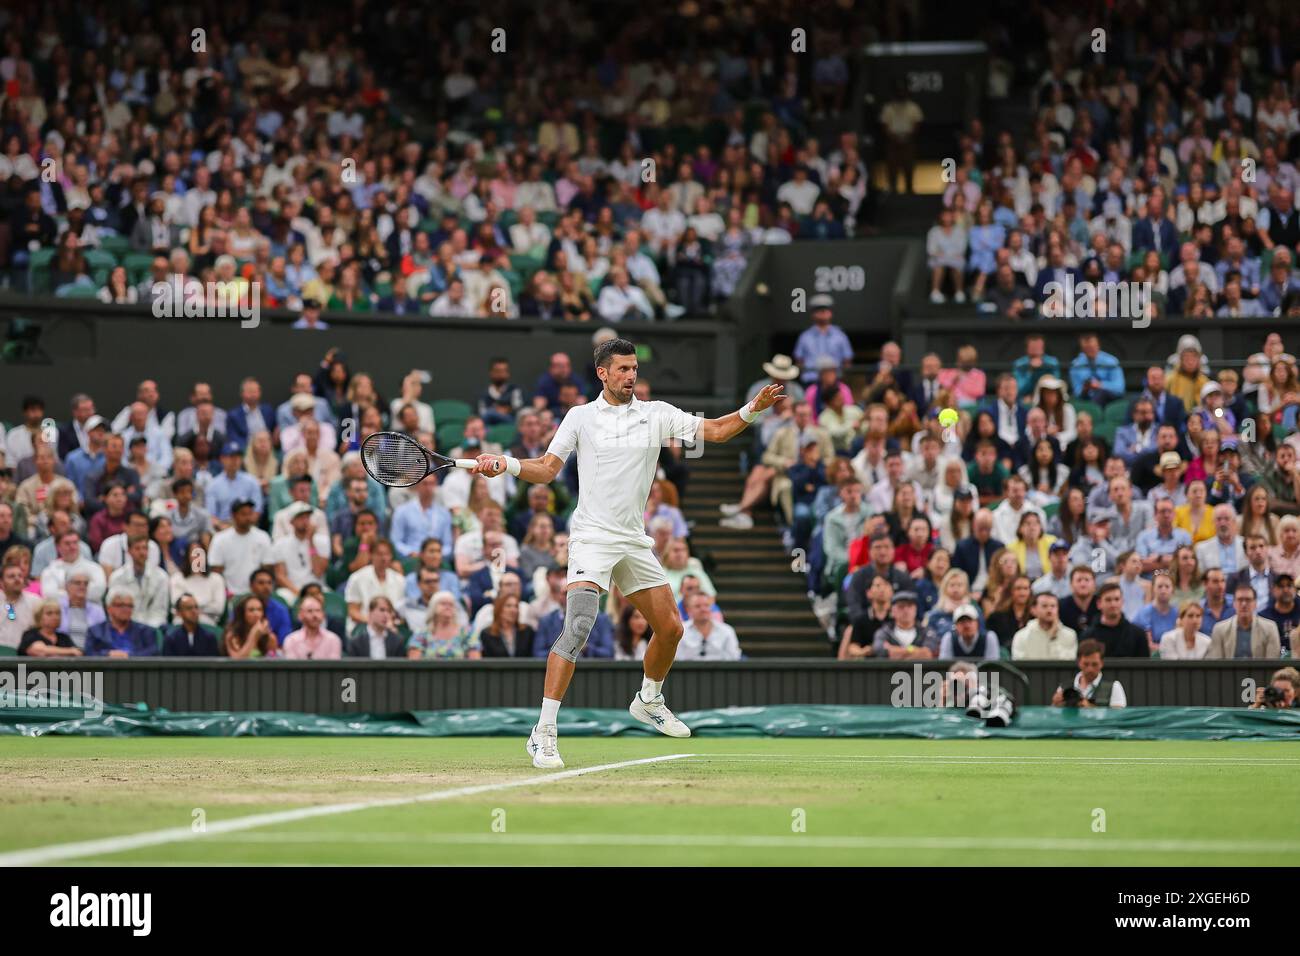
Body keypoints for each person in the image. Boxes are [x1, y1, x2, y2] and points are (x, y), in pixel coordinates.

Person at [469, 337, 784, 768]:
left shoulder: (656, 414)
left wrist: (753, 409)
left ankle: (648, 699)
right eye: (622, 369)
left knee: (672, 629)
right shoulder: (580, 417)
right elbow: (546, 469)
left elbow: (717, 430)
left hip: (633, 540)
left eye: (634, 368)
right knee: (579, 625)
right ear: (602, 373)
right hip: (592, 539)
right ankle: (543, 731)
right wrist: (507, 462)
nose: (631, 375)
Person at [1207, 584, 1281, 659]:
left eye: (1248, 600)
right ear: (1234, 604)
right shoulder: (1219, 629)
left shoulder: (1270, 628)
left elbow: (1272, 664)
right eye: (1240, 600)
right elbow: (1216, 664)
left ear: (1255, 604)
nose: (1244, 604)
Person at [1051, 640, 1127, 708]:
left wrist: (1091, 709)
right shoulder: (1064, 687)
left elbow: (1118, 717)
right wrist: (1055, 705)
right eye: (1086, 664)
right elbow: (1055, 716)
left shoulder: (1114, 687)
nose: (1090, 669)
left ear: (1102, 663)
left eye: (1094, 664)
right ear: (1079, 662)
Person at [1082, 580, 1149, 657]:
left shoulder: (1138, 635)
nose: (1113, 604)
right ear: (1099, 604)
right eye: (1108, 600)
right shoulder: (1087, 636)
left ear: (1122, 602)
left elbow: (1144, 667)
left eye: (1116, 599)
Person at [84, 588, 159, 657]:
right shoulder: (95, 631)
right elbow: (89, 653)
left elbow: (153, 651)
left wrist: (129, 655)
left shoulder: (145, 631)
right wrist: (108, 654)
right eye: (120, 605)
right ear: (109, 608)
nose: (125, 609)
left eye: (129, 606)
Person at [408, 591, 480, 659]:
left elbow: (475, 662)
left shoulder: (467, 632)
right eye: (443, 603)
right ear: (433, 607)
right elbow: (413, 662)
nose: (447, 607)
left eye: (451, 605)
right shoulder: (421, 633)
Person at [676, 590, 742, 660]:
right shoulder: (680, 631)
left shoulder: (727, 631)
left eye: (706, 605)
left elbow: (734, 658)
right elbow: (677, 659)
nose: (703, 609)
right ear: (688, 610)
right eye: (697, 606)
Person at [1011, 592, 1078, 660]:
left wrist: (1053, 638)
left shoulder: (1070, 635)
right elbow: (1019, 663)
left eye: (1053, 606)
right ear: (1033, 610)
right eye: (1044, 606)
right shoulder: (1021, 636)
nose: (1049, 610)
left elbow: (1068, 664)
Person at [281, 595, 344, 660]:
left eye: (318, 610)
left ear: (323, 615)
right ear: (300, 615)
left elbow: (334, 668)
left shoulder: (333, 640)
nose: (315, 615)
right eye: (309, 611)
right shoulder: (291, 641)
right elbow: (291, 668)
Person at [222, 594, 280, 659]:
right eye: (251, 610)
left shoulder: (270, 638)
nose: (256, 614)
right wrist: (253, 635)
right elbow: (238, 663)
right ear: (242, 613)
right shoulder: (232, 636)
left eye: (259, 609)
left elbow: (273, 664)